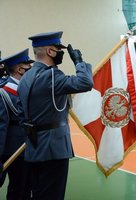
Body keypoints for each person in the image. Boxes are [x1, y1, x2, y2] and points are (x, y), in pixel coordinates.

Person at [17, 31, 93, 200]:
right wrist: (79, 62)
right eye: (59, 49)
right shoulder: (51, 76)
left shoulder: (25, 77)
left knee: (38, 193)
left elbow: (20, 111)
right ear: (50, 51)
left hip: (33, 146)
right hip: (52, 148)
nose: (61, 52)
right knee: (52, 195)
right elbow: (85, 83)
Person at [0, 49, 33, 199]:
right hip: (13, 150)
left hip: (27, 148)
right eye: (28, 66)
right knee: (17, 190)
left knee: (26, 188)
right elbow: (1, 127)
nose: (31, 70)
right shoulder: (5, 92)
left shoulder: (25, 88)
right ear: (20, 69)